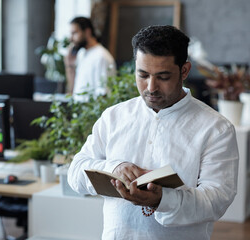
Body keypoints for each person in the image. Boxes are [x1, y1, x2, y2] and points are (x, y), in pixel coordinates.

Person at [67, 25, 239, 239]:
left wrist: (162, 200)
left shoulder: (216, 129)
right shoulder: (114, 117)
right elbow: (75, 174)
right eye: (143, 75)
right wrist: (114, 167)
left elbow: (217, 201)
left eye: (163, 77)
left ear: (184, 71)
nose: (151, 87)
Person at [65, 16, 116, 101]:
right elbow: (74, 90)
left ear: (87, 32)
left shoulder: (101, 56)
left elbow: (104, 94)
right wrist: (69, 65)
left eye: (74, 33)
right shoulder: (82, 53)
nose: (71, 38)